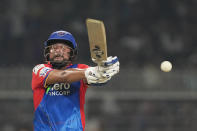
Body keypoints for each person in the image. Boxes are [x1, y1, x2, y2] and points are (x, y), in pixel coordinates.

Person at [31, 30, 119, 131]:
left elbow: (98, 80)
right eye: (54, 47)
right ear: (48, 51)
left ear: (72, 52)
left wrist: (103, 72)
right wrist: (90, 72)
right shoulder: (39, 70)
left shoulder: (81, 68)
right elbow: (63, 76)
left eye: (64, 48)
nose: (58, 51)